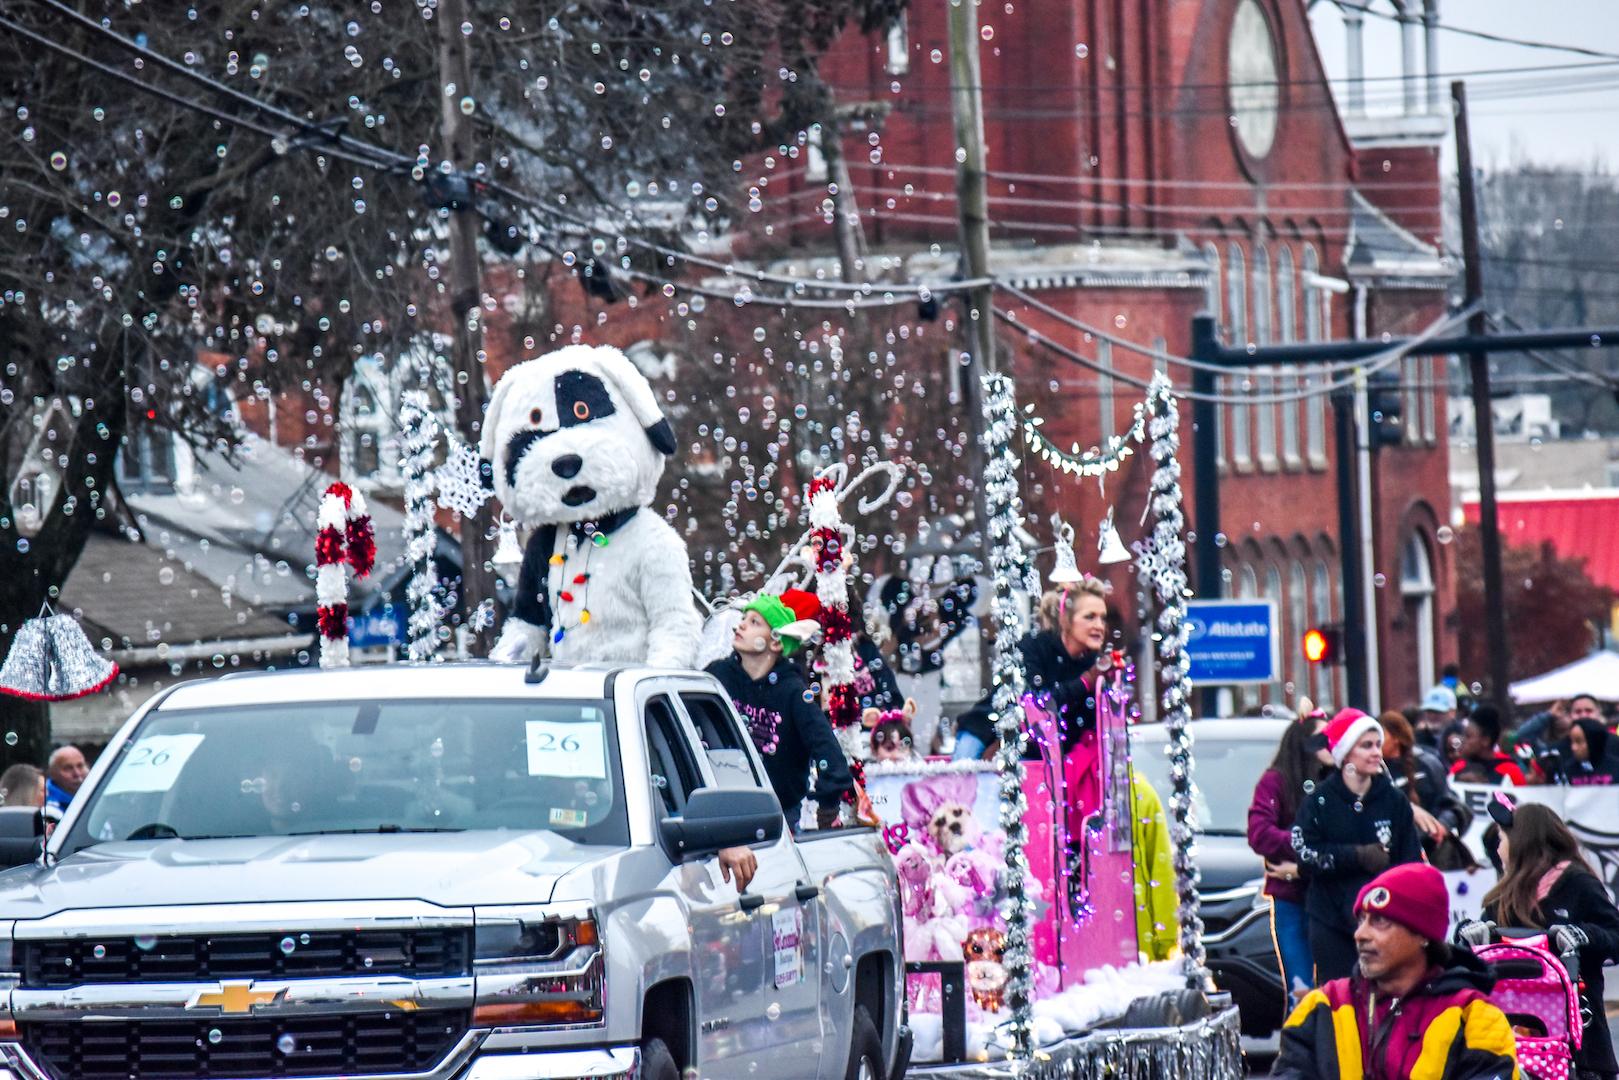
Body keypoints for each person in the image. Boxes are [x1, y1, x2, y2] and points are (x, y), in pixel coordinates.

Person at [1275, 863, 1518, 1080]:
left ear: (1423, 934)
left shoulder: (1474, 1017)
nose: (1361, 934)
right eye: (1362, 920)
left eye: (1380, 921)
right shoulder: (1323, 1006)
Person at [1465, 795, 1619, 1080]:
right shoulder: (1502, 897)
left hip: (1580, 1037)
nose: (1498, 848)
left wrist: (1581, 935)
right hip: (1513, 1034)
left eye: (1502, 839)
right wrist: (1471, 933)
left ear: (1521, 841)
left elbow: (1615, 935)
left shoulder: (1577, 883)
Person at [1292, 709, 1424, 983]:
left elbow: (1411, 861)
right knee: (1341, 1003)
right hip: (1331, 922)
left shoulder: (1393, 800)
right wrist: (1356, 856)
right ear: (1345, 753)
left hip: (1383, 921)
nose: (1376, 752)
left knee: (1384, 997)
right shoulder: (1319, 801)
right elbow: (1306, 856)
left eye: (1378, 744)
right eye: (1366, 746)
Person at [706, 588, 854, 830]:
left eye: (754, 622)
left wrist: (828, 803)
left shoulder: (793, 693)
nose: (740, 626)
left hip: (779, 815)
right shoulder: (718, 676)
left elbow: (827, 748)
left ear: (776, 642)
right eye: (743, 619)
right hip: (723, 808)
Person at [953, 578, 1110, 762]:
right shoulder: (1033, 646)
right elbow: (1036, 704)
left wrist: (1110, 683)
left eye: (1103, 618)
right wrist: (1085, 682)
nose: (1099, 626)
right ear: (1065, 620)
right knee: (958, 783)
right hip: (984, 730)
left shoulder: (1096, 665)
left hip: (1031, 753)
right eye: (1090, 616)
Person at [1247, 709, 1332, 1004]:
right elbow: (1259, 832)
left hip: (1335, 898)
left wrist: (1307, 856)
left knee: (1339, 990)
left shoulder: (1341, 779)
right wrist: (1306, 844)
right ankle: (1301, 1049)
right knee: (1301, 993)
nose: (1329, 745)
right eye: (1321, 738)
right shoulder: (1277, 781)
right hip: (1292, 901)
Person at [1379, 712, 1473, 867]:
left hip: (1435, 850)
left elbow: (1452, 804)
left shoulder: (1427, 764)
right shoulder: (1374, 770)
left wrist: (1441, 826)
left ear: (1396, 737)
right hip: (1396, 855)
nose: (1375, 744)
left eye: (1380, 736)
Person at [1449, 705, 1527, 786]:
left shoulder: (1511, 772)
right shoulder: (1458, 768)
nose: (1463, 740)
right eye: (1463, 735)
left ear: (1486, 740)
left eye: (1468, 736)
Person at [1538, 719, 1619, 786]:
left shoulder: (1615, 767)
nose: (1573, 747)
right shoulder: (1567, 771)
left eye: (1579, 742)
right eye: (1571, 742)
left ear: (1594, 742)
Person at [1414, 684, 1459, 755]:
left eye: (1438, 712)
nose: (1432, 716)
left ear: (1453, 712)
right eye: (1429, 711)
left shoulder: (1463, 737)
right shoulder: (1417, 739)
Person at [45, 746, 88, 815]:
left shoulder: (97, 795)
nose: (77, 773)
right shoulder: (47, 808)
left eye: (80, 766)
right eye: (68, 768)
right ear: (52, 774)